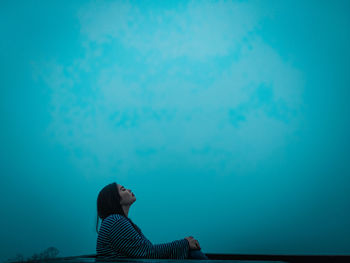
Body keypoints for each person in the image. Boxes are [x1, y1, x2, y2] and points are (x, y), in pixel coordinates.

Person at [95, 182, 209, 260]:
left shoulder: (118, 221)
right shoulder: (115, 221)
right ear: (115, 199)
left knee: (192, 253)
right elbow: (147, 252)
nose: (129, 189)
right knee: (193, 254)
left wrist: (184, 244)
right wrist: (184, 243)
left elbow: (146, 251)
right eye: (123, 189)